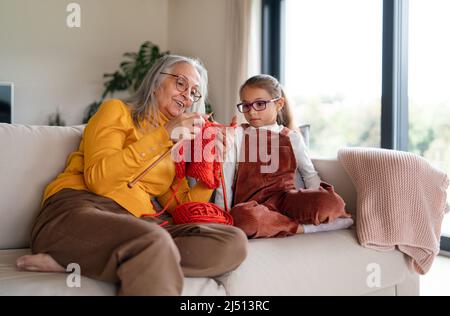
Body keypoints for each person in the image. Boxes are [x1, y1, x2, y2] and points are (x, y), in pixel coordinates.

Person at [16, 55, 247, 295]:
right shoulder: (117, 112)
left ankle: (81, 262)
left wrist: (210, 159)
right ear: (156, 81)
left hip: (138, 225)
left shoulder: (176, 144)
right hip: (81, 208)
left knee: (232, 243)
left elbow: (187, 210)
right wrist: (162, 137)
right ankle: (108, 256)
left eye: (194, 92)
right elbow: (100, 180)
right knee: (154, 240)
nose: (188, 96)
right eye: (180, 83)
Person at [214, 74, 353, 238]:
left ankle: (275, 224)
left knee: (332, 203)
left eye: (260, 104)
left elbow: (309, 175)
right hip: (251, 207)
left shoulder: (291, 137)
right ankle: (305, 228)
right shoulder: (236, 135)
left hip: (286, 201)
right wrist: (221, 216)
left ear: (279, 104)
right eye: (245, 105)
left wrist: (317, 201)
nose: (251, 111)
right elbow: (225, 179)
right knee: (245, 219)